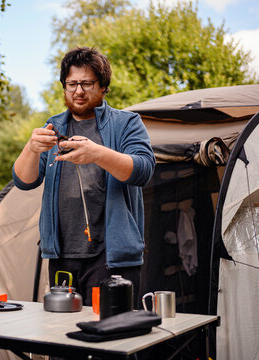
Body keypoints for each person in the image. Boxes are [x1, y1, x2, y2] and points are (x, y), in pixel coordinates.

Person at [12, 47, 155, 307]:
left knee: (113, 337)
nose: (78, 91)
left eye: (87, 83)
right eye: (72, 84)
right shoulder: (54, 126)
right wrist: (31, 148)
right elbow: (24, 181)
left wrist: (97, 153)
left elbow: (143, 170)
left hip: (112, 258)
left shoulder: (126, 123)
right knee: (63, 336)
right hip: (62, 256)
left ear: (103, 87)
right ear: (64, 87)